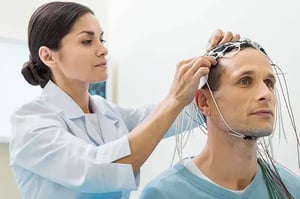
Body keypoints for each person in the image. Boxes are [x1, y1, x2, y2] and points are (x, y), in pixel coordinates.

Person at [8, 1, 240, 199]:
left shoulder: (107, 112)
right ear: (48, 55)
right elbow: (96, 170)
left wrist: (213, 75)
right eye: (87, 41)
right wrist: (175, 97)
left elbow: (177, 115)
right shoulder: (30, 121)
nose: (103, 50)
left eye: (101, 39)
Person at [140, 39, 300, 198]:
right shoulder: (164, 194)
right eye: (245, 81)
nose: (266, 94)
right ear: (204, 102)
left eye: (269, 83)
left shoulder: (291, 189)